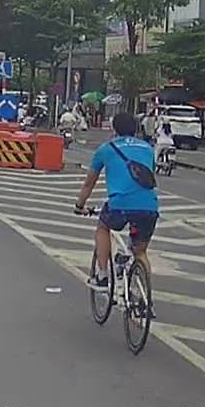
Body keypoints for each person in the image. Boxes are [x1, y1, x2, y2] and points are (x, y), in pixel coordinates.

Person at [74, 112, 159, 318]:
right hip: (149, 206)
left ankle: (103, 275)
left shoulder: (106, 149)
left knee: (103, 227)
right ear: (136, 129)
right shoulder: (148, 148)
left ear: (114, 129)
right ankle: (146, 299)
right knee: (140, 252)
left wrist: (80, 205)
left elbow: (89, 183)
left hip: (119, 205)